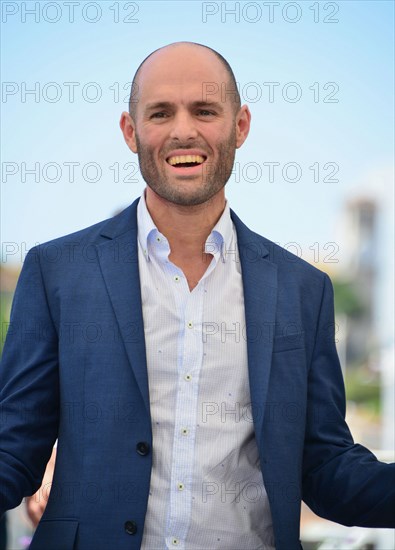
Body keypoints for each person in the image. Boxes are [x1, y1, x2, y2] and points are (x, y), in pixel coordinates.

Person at [0, 41, 394, 550]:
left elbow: (325, 465)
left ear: (240, 125)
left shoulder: (303, 290)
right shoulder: (55, 273)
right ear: (130, 130)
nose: (183, 130)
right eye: (161, 112)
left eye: (204, 110)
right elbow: (14, 447)